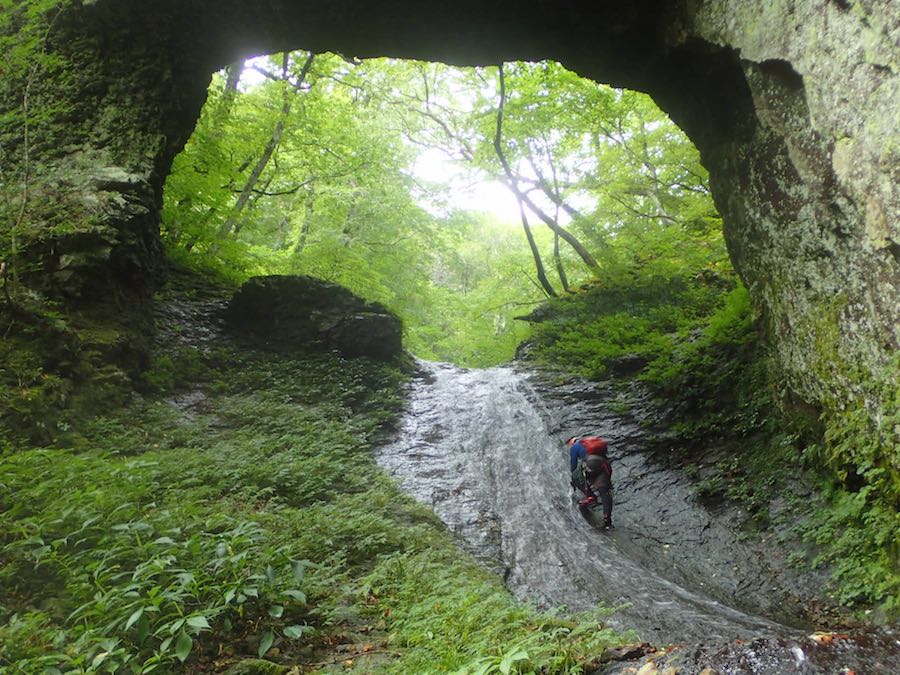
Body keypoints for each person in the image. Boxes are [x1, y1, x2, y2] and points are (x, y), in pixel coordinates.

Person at [567, 436, 613, 529]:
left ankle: (590, 496)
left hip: (591, 463)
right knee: (604, 492)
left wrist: (574, 482)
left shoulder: (575, 447)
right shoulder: (593, 447)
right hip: (604, 465)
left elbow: (573, 466)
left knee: (576, 475)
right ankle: (607, 520)